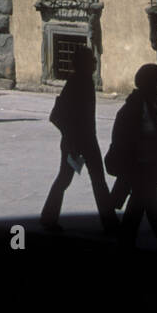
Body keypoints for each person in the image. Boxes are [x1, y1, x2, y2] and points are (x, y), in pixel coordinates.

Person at [105, 64, 157, 251]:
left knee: (138, 208)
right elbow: (121, 140)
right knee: (155, 210)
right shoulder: (133, 106)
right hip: (138, 167)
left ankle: (126, 244)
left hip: (154, 164)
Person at [40, 45, 117, 235]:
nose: (95, 62)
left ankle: (110, 222)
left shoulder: (85, 81)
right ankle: (49, 218)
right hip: (76, 140)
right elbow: (56, 115)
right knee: (68, 179)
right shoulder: (76, 82)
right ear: (84, 63)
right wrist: (72, 140)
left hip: (87, 139)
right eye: (91, 60)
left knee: (95, 180)